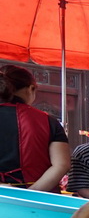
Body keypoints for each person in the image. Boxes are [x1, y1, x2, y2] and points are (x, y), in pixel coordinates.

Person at [0, 64, 70, 192]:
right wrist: (30, 194)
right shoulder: (49, 121)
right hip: (39, 202)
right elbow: (61, 164)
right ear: (31, 88)